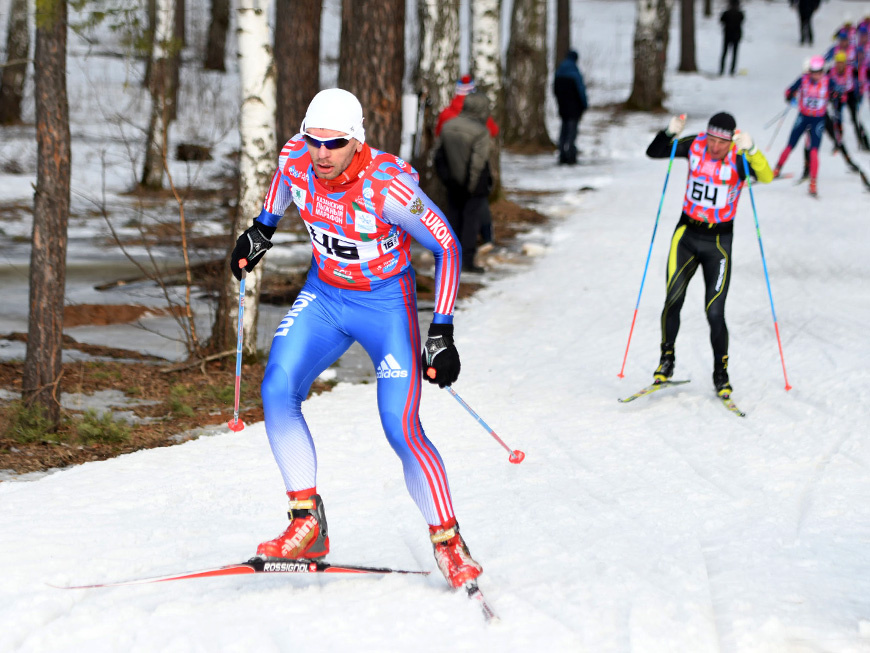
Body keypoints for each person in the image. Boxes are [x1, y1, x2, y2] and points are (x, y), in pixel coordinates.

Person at [229, 88, 483, 590]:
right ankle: (306, 521)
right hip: (325, 295)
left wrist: (443, 331)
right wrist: (260, 230)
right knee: (277, 388)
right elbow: (279, 191)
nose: (321, 153)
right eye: (314, 140)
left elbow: (448, 246)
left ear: (357, 141)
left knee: (400, 427)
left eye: (335, 143)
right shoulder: (297, 158)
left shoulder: (387, 187)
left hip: (385, 304)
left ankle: (449, 542)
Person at [646, 112, 773, 397]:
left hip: (718, 244)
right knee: (673, 300)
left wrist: (752, 150)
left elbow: (767, 176)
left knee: (715, 312)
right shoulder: (694, 145)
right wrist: (668, 132)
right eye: (712, 139)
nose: (715, 147)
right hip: (686, 236)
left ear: (731, 141)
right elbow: (654, 153)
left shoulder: (740, 158)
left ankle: (721, 373)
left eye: (722, 142)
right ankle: (666, 360)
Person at [437, 92, 494, 274]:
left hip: (452, 183)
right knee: (471, 221)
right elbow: (478, 162)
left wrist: (448, 179)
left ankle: (450, 260)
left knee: (453, 219)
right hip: (473, 186)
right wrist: (471, 185)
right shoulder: (480, 132)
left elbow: (439, 156)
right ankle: (467, 262)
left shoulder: (448, 126)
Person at [773, 55, 831, 196]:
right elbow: (789, 90)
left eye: (819, 72)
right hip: (803, 117)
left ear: (823, 71)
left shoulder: (828, 81)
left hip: (818, 120)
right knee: (790, 144)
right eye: (813, 72)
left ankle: (813, 183)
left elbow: (840, 93)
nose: (816, 75)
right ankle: (777, 169)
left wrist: (838, 97)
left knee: (814, 151)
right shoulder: (803, 79)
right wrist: (790, 96)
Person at [553, 50, 588, 165]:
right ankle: (571, 156)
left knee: (563, 132)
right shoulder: (575, 72)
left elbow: (555, 90)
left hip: (562, 108)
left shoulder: (559, 72)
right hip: (574, 109)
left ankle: (562, 155)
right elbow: (581, 90)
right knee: (572, 133)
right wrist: (584, 104)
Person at [720, 0, 744, 76]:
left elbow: (721, 21)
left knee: (725, 53)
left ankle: (722, 70)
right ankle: (731, 70)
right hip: (735, 36)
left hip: (728, 35)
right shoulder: (740, 14)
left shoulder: (727, 13)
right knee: (734, 54)